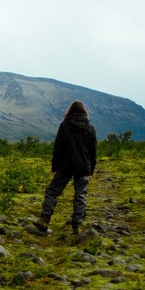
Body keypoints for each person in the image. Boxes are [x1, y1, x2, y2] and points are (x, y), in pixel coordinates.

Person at [34, 100, 97, 235]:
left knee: (52, 192)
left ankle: (44, 219)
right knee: (80, 196)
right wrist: (91, 170)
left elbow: (58, 148)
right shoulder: (90, 128)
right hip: (83, 167)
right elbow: (93, 152)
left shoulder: (65, 126)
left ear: (70, 111)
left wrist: (54, 166)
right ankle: (77, 226)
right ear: (84, 112)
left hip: (65, 166)